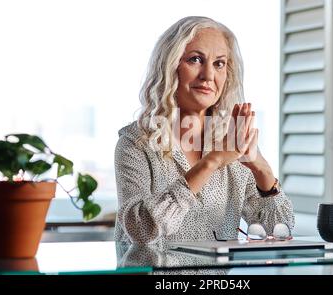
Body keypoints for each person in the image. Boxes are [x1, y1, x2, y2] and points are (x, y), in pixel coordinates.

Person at [114, 16, 294, 244]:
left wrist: (262, 170)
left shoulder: (231, 142)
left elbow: (280, 231)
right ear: (170, 67)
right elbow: (141, 229)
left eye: (219, 64)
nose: (208, 76)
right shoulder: (135, 144)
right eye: (195, 60)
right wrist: (211, 162)